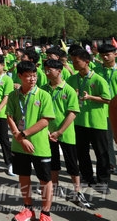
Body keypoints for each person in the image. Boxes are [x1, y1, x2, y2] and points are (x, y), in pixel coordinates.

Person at [6, 61, 55, 221]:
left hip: (39, 146)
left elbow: (45, 120)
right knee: (24, 176)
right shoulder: (13, 95)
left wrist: (23, 135)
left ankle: (45, 213)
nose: (32, 79)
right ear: (20, 76)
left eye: (34, 76)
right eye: (28, 76)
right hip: (19, 145)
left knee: (45, 179)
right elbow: (10, 116)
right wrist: (19, 137)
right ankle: (28, 209)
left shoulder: (44, 95)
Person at [41, 59, 90, 207]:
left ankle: (77, 191)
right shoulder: (43, 89)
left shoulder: (68, 90)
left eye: (50, 70)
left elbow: (72, 113)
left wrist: (59, 131)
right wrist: (47, 130)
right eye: (45, 70)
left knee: (72, 163)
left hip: (65, 133)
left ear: (59, 71)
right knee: (53, 162)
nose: (47, 72)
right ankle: (55, 187)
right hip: (48, 133)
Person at [67, 47, 112, 194]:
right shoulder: (72, 79)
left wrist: (90, 97)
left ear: (86, 62)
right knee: (82, 152)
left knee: (101, 153)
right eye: (72, 61)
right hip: (79, 122)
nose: (74, 64)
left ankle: (103, 181)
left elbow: (108, 99)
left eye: (77, 61)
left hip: (97, 122)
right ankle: (87, 177)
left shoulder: (98, 79)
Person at [98, 43, 117, 174]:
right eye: (102, 55)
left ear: (115, 54)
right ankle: (112, 164)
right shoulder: (97, 71)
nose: (105, 57)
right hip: (103, 110)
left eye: (107, 54)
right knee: (107, 139)